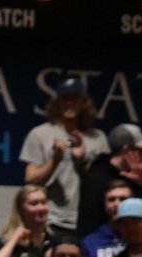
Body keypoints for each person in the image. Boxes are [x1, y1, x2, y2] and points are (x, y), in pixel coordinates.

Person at [19, 77, 109, 235]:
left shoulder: (98, 138)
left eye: (74, 99)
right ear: (57, 102)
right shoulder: (40, 134)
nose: (69, 104)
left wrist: (83, 160)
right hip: (52, 219)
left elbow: (106, 183)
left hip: (89, 220)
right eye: (65, 99)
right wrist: (55, 160)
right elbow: (30, 180)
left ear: (83, 103)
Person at [77, 123, 142, 239]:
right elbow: (88, 224)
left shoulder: (138, 179)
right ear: (126, 150)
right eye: (140, 150)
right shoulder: (96, 180)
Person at [80, 179, 134, 257]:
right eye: (111, 200)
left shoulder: (139, 238)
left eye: (123, 199)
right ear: (104, 205)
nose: (117, 204)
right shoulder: (90, 242)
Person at [1, 184, 53, 252]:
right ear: (21, 210)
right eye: (34, 204)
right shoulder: (9, 243)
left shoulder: (53, 242)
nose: (41, 208)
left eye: (43, 203)